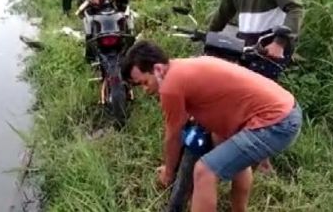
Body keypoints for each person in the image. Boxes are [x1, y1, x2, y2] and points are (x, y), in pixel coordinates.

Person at [121, 40, 302, 212]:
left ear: (158, 69)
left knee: (204, 171)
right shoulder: (183, 67)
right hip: (284, 109)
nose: (145, 90)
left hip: (276, 122)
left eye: (145, 82)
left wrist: (168, 172)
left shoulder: (170, 85)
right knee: (230, 149)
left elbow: (173, 134)